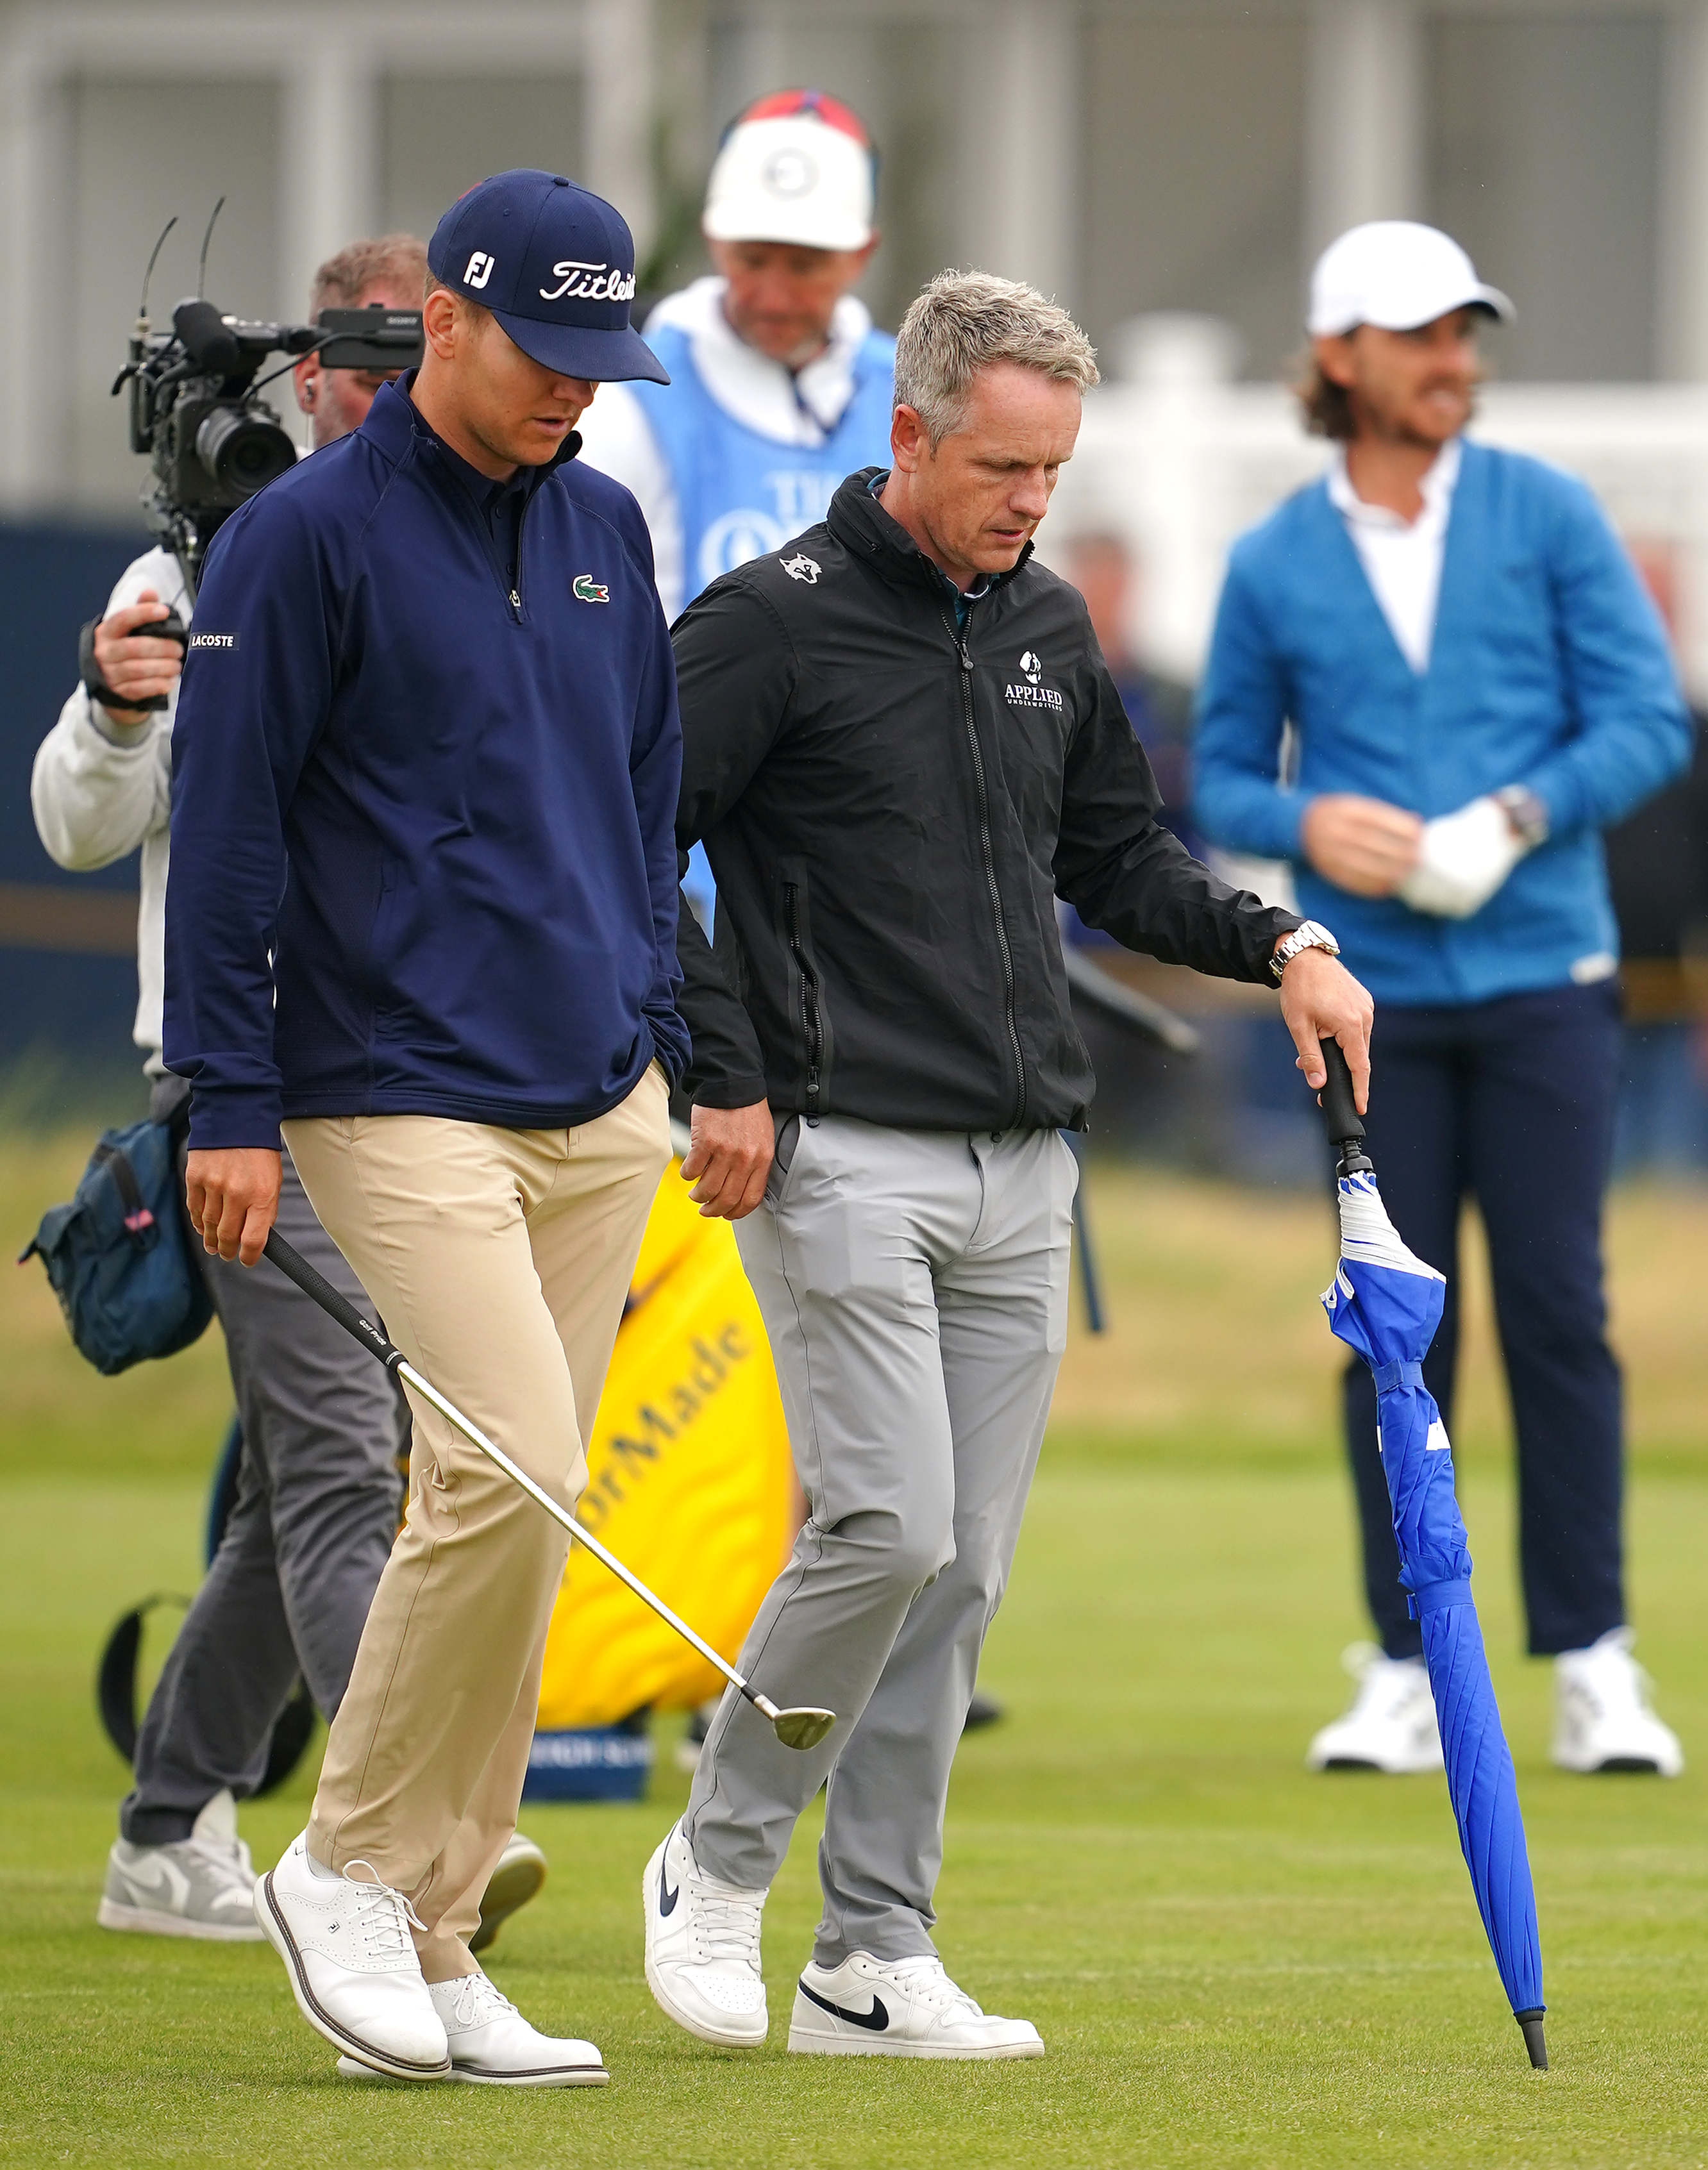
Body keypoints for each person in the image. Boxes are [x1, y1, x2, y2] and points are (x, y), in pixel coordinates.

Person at [640, 270, 1371, 2060]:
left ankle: (871, 1951)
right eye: (1001, 465)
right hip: (836, 1152)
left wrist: (1280, 941)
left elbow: (1120, 862)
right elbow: (626, 849)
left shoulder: (1045, 621)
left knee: (960, 1573)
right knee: (884, 1523)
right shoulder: (764, 626)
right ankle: (716, 1861)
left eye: (1053, 469)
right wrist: (720, 1077)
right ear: (911, 436)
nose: (1030, 501)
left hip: (1023, 1163)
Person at [162, 171, 682, 2087]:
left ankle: (445, 1924)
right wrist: (228, 1096)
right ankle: (351, 1871)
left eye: (599, 361)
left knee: (522, 1516)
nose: (576, 392)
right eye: (545, 355)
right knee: (510, 1464)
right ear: (442, 322)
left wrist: (661, 1037)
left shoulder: (610, 522)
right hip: (384, 1088)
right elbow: (221, 836)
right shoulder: (306, 539)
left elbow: (647, 803)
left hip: (592, 1094)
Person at [31, 231, 548, 1953]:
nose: (379, 385)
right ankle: (393, 1857)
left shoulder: (493, 551)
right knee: (342, 1470)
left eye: (412, 354)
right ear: (304, 373)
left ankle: (170, 1822)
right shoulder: (206, 574)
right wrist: (115, 708)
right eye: (356, 359)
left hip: (432, 1080)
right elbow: (77, 825)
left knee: (295, 1485)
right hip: (249, 1083)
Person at [1193, 221, 1691, 1778]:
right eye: (1422, 338)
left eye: (1467, 336)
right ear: (1342, 356)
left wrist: (1521, 816)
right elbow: (1215, 772)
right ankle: (1406, 1659)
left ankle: (1593, 1657)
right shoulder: (1275, 558)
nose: (1454, 363)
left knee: (1557, 1311)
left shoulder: (1545, 513)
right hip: (1368, 997)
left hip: (1547, 972)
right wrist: (1304, 823)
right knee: (1396, 1326)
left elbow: (1646, 718)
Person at [575, 86, 893, 931]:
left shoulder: (916, 387)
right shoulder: (634, 395)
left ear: (862, 253)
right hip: (696, 878)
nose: (776, 293)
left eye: (807, 264)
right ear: (715, 239)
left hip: (879, 873)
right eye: (753, 258)